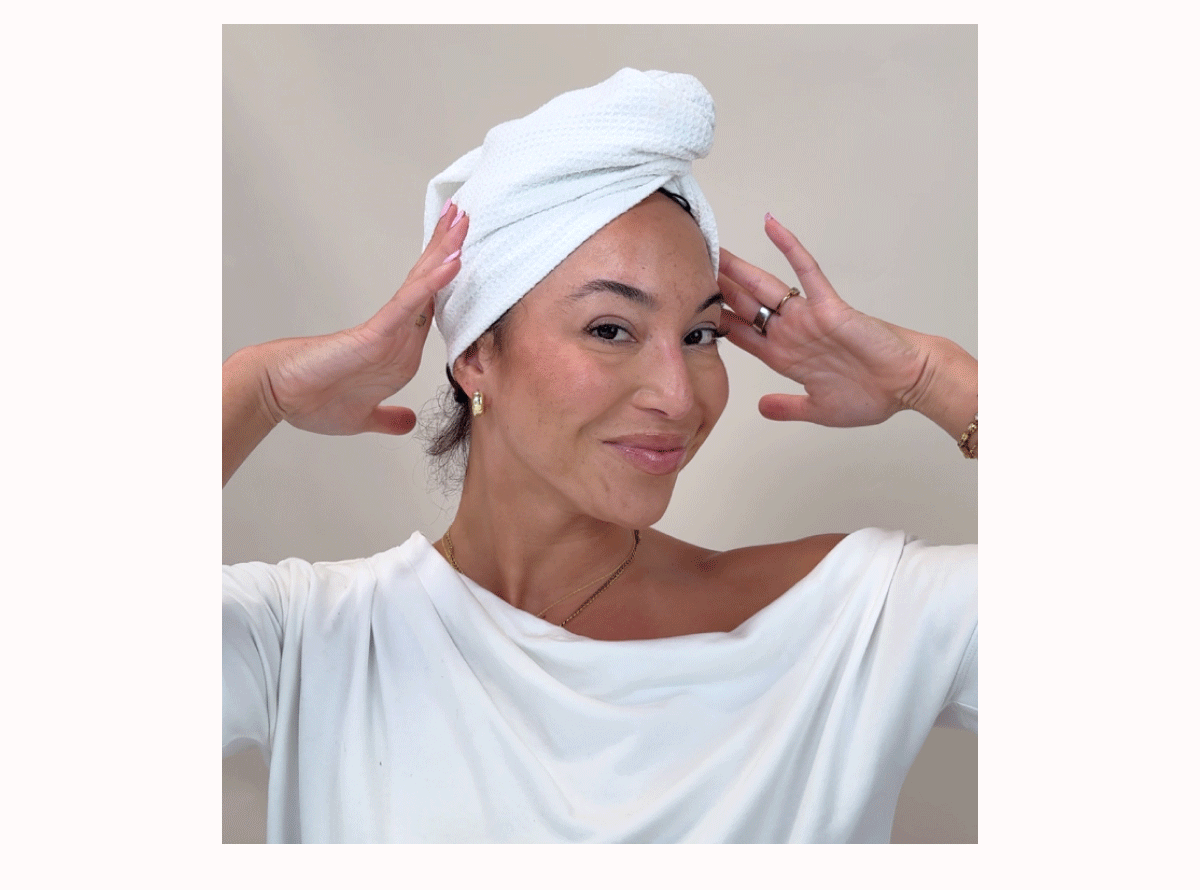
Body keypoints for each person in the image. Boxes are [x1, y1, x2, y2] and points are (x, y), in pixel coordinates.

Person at [222, 69, 976, 842]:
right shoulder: (312, 641)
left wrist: (935, 378)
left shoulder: (852, 623)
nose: (679, 397)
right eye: (611, 330)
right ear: (477, 353)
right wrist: (258, 387)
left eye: (701, 335)